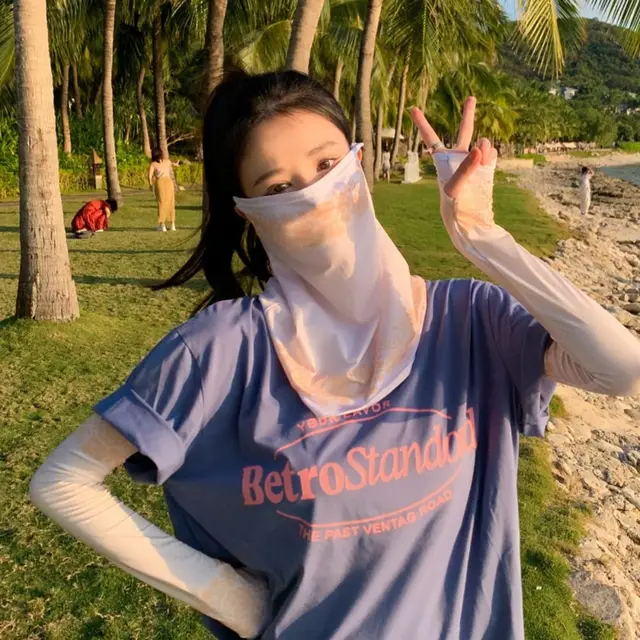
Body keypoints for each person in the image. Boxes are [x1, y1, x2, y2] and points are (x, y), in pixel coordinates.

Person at [30, 71, 640, 640]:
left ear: (358, 160)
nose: (315, 196)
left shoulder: (470, 321)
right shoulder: (220, 350)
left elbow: (620, 369)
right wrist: (226, 594)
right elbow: (63, 482)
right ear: (247, 211)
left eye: (326, 165)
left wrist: (482, 236)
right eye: (279, 187)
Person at [148, 148, 177, 231]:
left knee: (161, 202)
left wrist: (150, 184)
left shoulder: (153, 164)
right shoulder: (167, 161)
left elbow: (149, 176)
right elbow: (174, 164)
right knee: (171, 202)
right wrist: (177, 164)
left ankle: (162, 224)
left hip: (160, 182)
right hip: (169, 182)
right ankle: (172, 224)